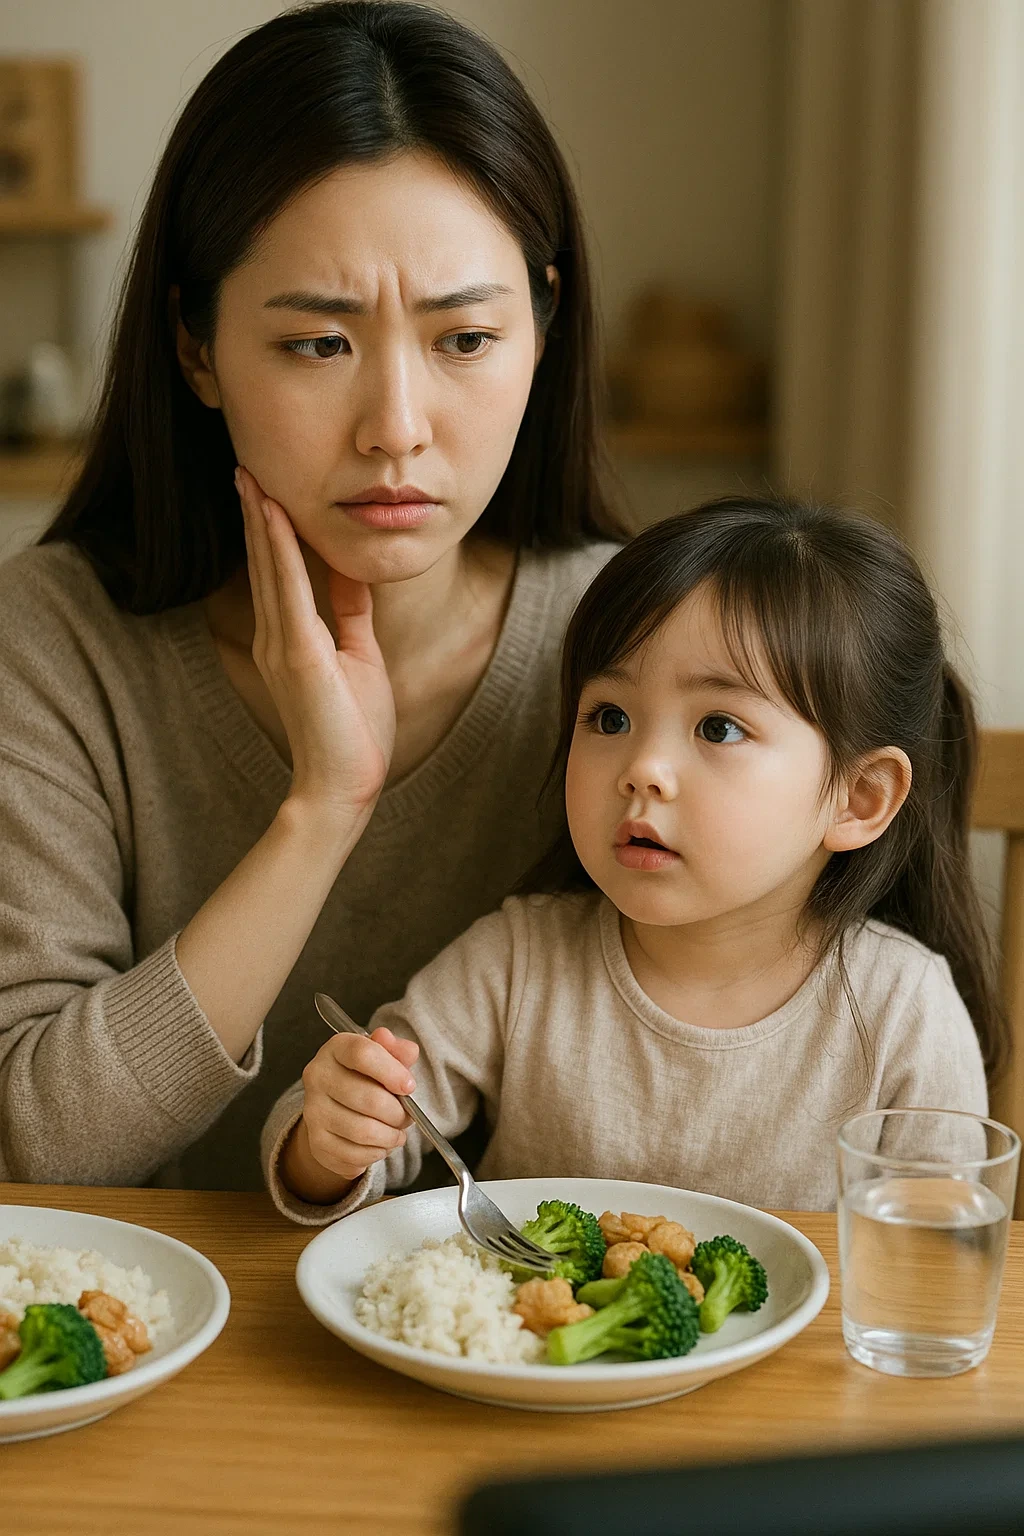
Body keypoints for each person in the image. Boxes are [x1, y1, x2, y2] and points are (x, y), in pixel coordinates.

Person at [0, 2, 624, 1190]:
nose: (395, 428)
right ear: (195, 346)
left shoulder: (633, 653)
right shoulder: (52, 640)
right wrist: (322, 806)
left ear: (542, 328)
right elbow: (34, 1151)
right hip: (178, 1356)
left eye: (465, 339)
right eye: (318, 345)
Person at [265, 495, 1005, 1219]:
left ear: (859, 797)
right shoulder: (519, 963)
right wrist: (332, 1142)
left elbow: (934, 1272)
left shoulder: (903, 1012)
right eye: (609, 717)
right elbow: (355, 1137)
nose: (643, 767)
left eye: (718, 727)